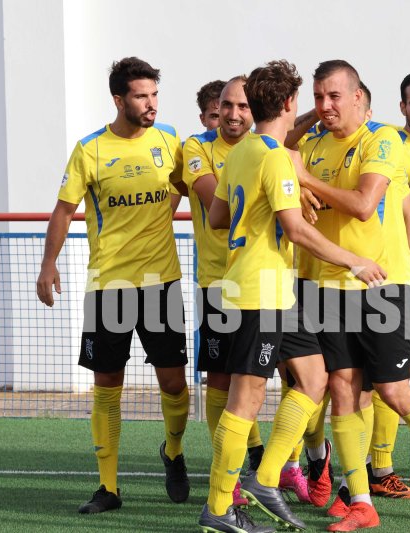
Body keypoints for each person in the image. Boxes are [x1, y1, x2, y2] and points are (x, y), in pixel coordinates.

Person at [197, 59, 387, 533]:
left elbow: (218, 217)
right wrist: (353, 260)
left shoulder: (241, 151)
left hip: (273, 291)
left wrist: (263, 208)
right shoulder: (273, 156)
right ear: (288, 103)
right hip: (258, 291)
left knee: (313, 377)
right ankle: (220, 506)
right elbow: (296, 230)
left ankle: (264, 478)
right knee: (248, 396)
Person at [294, 60, 410, 530]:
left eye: (333, 96)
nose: (325, 106)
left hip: (379, 288)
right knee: (344, 391)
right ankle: (361, 503)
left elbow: (365, 204)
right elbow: (403, 212)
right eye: (317, 97)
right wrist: (299, 165)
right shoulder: (310, 144)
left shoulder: (383, 139)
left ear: (358, 97)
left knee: (392, 390)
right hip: (325, 286)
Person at [36, 57, 190, 513]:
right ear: (119, 99)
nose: (151, 104)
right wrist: (49, 265)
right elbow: (63, 211)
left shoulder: (170, 141)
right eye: (142, 96)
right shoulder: (90, 149)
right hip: (109, 286)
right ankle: (108, 487)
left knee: (175, 385)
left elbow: (197, 188)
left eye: (155, 95)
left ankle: (174, 452)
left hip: (161, 282)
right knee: (108, 385)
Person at [177, 75, 265, 506]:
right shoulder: (196, 149)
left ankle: (273, 463)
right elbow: (218, 207)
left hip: (271, 283)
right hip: (217, 282)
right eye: (221, 109)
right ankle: (229, 471)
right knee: (223, 378)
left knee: (294, 377)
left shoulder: (270, 146)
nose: (230, 116)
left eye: (240, 107)